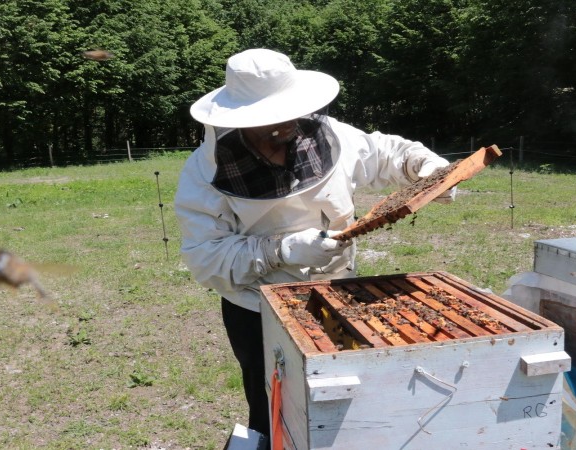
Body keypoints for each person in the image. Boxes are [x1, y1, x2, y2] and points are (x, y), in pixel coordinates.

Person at [174, 48, 454, 437]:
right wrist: (281, 250)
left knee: (342, 407)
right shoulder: (204, 173)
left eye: (289, 110)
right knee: (274, 413)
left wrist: (425, 168)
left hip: (340, 292)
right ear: (241, 119)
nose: (286, 123)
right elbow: (206, 258)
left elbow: (386, 153)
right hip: (258, 310)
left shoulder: (330, 135)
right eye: (271, 118)